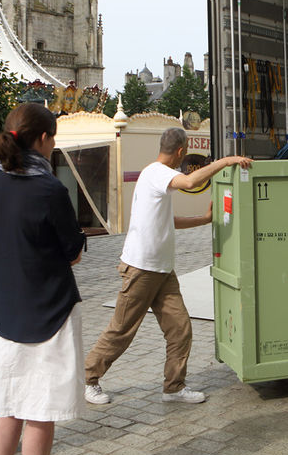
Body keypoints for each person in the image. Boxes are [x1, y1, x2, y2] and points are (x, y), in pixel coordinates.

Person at [84, 128, 252, 405]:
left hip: (162, 270)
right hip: (141, 268)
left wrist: (204, 219)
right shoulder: (158, 172)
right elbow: (188, 182)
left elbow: (167, 221)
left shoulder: (155, 177)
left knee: (180, 329)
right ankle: (89, 379)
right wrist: (227, 161)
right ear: (181, 152)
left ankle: (173, 388)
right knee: (122, 329)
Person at [0, 103, 85, 455]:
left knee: (8, 406)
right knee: (40, 410)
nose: (55, 145)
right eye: (53, 138)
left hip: (7, 311)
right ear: (42, 140)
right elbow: (72, 250)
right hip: (51, 311)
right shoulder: (50, 188)